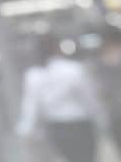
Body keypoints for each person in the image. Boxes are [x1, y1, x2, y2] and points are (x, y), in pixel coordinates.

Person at [17, 33, 106, 162]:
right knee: (86, 158)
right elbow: (89, 97)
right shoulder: (73, 69)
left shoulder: (33, 75)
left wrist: (27, 129)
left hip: (57, 127)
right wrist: (100, 117)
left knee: (69, 158)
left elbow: (31, 105)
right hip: (80, 123)